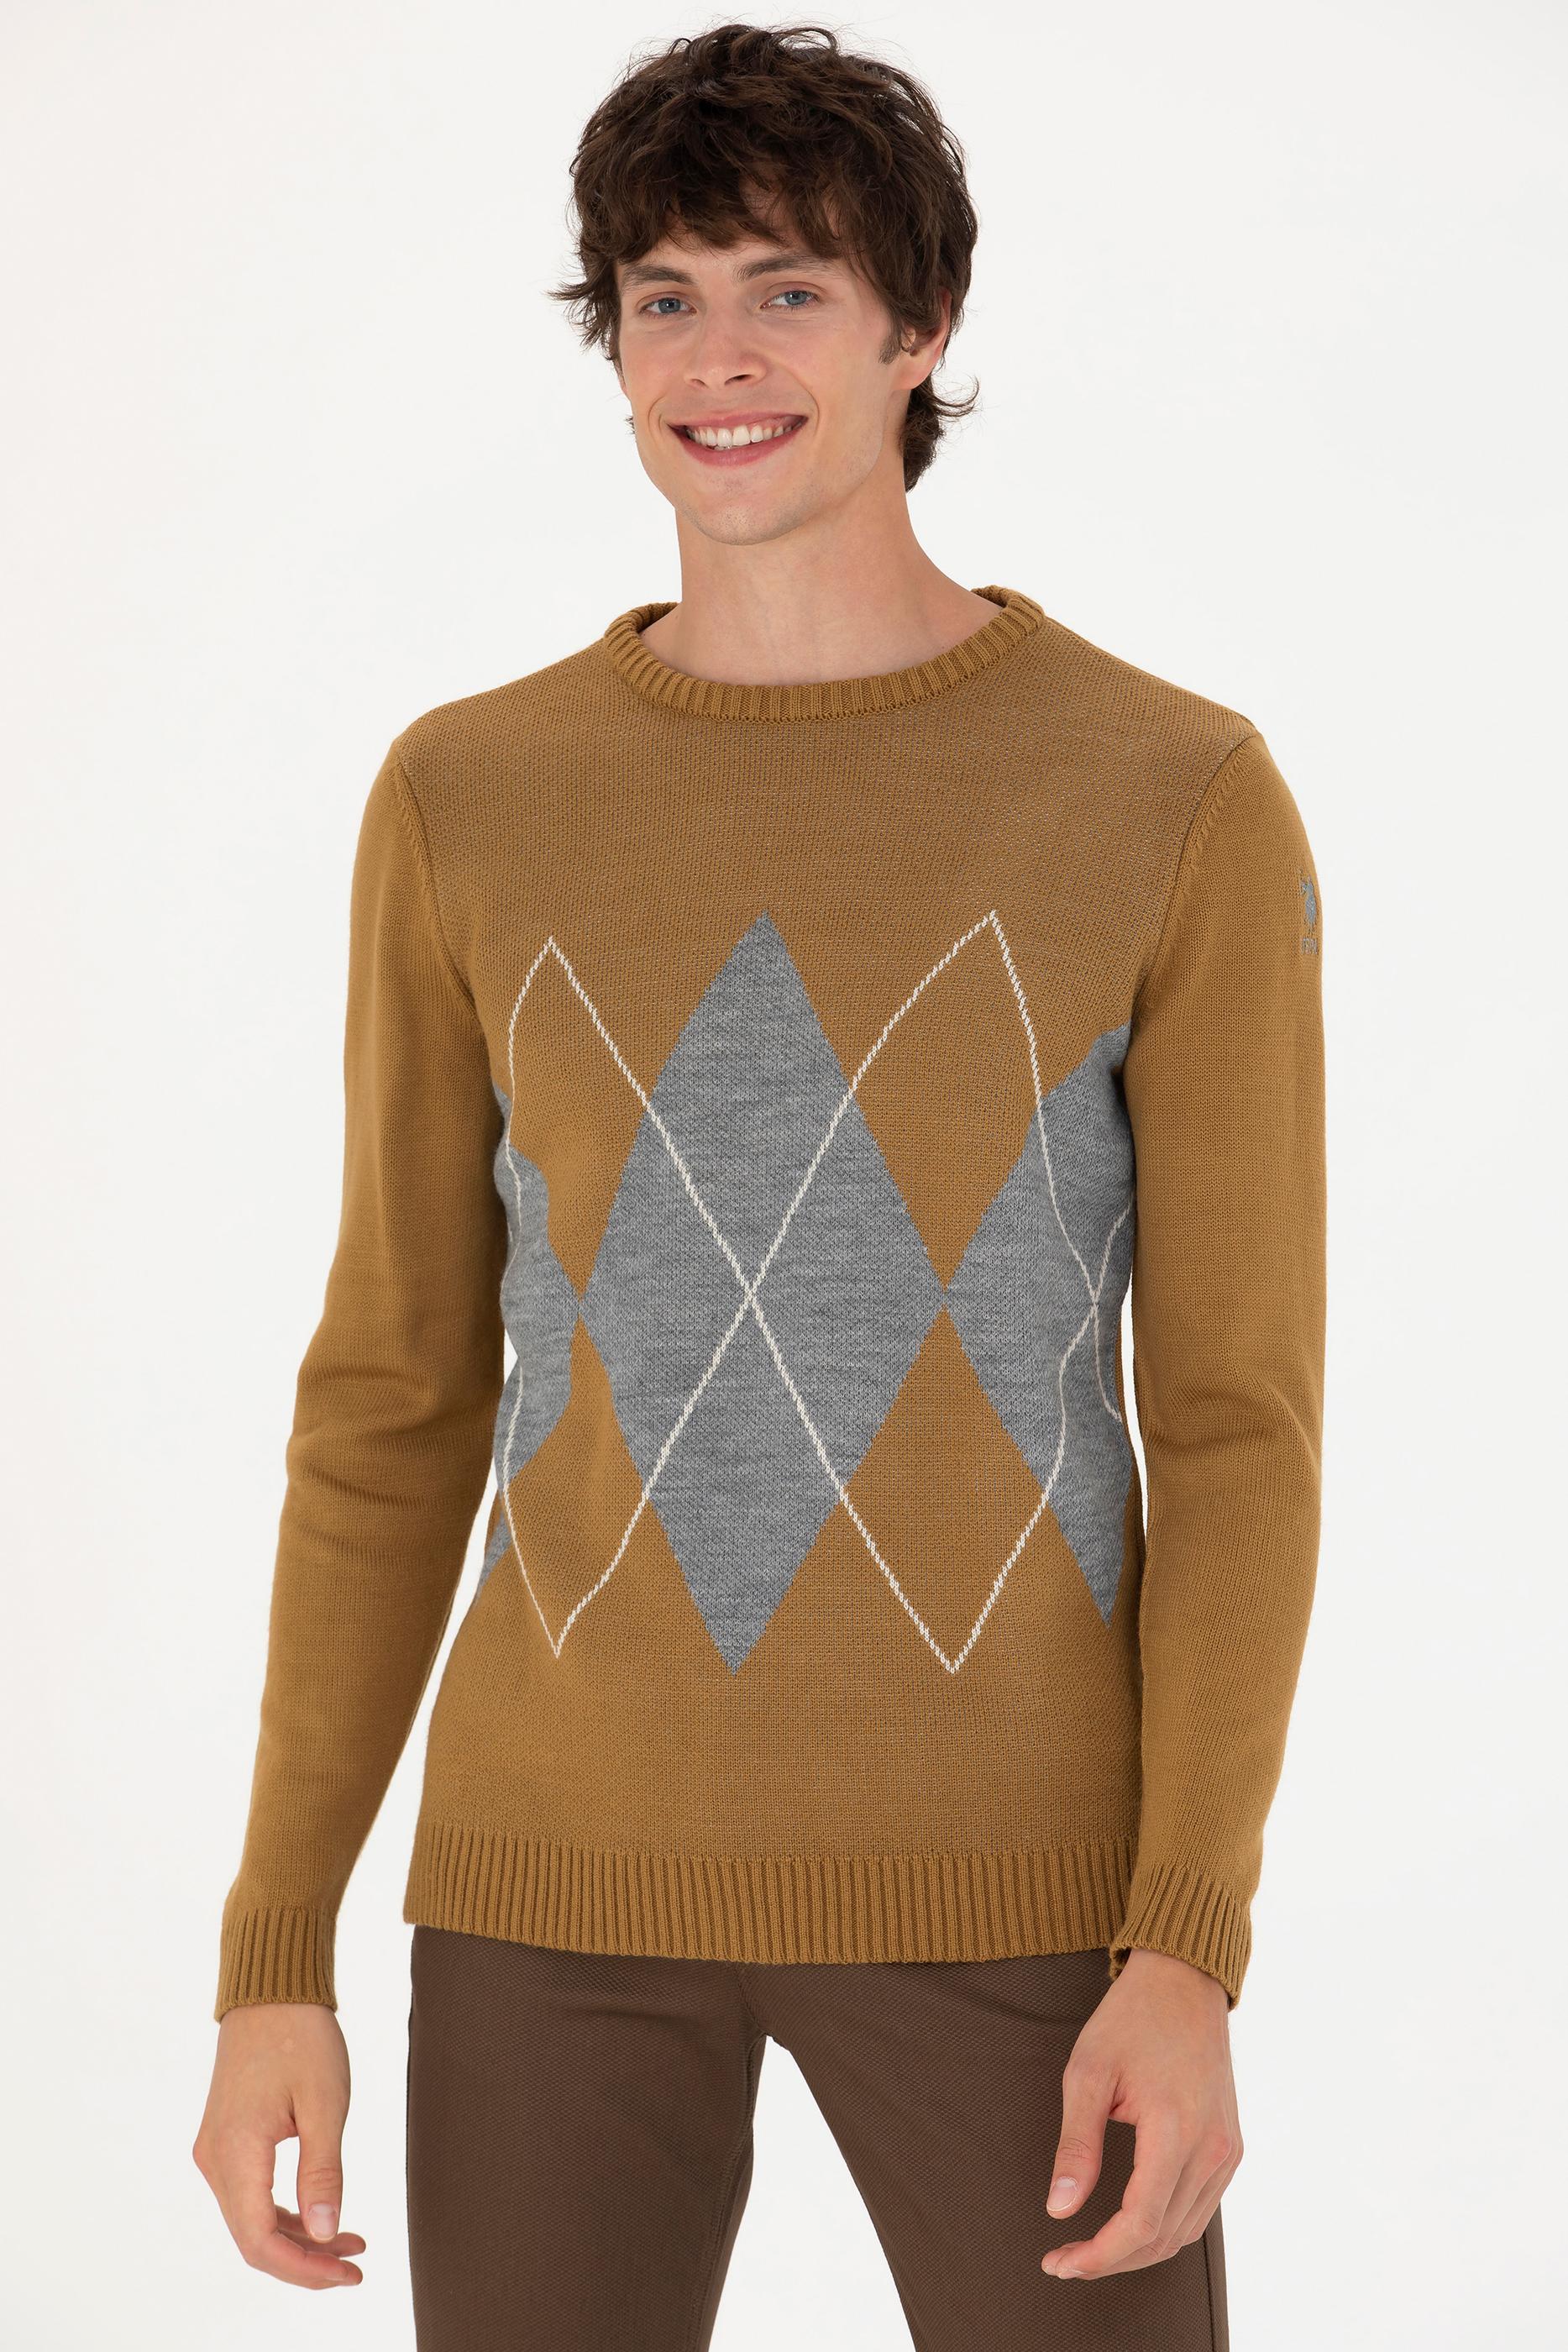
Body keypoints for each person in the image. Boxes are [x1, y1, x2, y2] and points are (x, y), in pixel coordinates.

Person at [192, 23, 1325, 2349]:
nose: (718, 358)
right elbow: (391, 1398)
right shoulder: (470, 797)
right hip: (548, 1902)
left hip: (1024, 1909)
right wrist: (274, 1952)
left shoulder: (1167, 793)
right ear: (611, 343)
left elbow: (1234, 1426)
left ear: (921, 328)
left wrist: (1186, 1944)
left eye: (790, 290)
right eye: (665, 296)